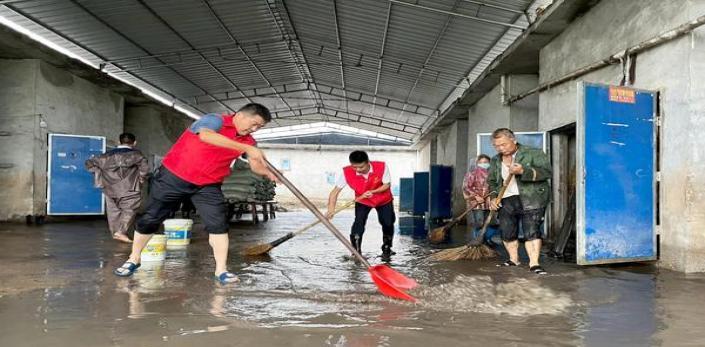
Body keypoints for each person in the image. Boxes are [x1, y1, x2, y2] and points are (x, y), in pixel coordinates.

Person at [113, 103, 277, 284]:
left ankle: (221, 270)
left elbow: (255, 164)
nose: (254, 129)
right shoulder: (215, 120)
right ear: (240, 115)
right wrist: (246, 148)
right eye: (254, 124)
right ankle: (134, 259)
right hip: (174, 177)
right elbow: (206, 136)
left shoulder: (249, 142)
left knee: (219, 223)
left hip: (207, 184)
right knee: (151, 218)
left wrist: (268, 172)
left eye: (259, 127)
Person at [488, 128, 551, 275]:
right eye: (496, 146)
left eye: (503, 144)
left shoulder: (533, 153)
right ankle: (513, 259)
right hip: (506, 199)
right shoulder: (496, 160)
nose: (500, 148)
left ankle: (534, 264)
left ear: (514, 140)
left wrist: (524, 171)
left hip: (531, 198)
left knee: (531, 231)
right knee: (507, 231)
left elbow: (547, 172)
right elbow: (492, 182)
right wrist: (493, 198)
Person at [326, 151, 396, 258]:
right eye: (354, 167)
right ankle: (356, 251)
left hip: (383, 199)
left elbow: (387, 185)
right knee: (359, 222)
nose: (358, 170)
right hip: (363, 200)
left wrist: (373, 192)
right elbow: (335, 192)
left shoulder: (381, 166)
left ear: (368, 162)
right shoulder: (347, 172)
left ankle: (387, 248)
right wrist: (331, 210)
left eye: (361, 167)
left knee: (388, 222)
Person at [85, 133, 149, 243]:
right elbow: (145, 170)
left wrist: (100, 174)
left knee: (113, 211)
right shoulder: (137, 155)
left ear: (119, 142)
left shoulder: (105, 156)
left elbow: (89, 164)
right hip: (129, 188)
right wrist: (141, 179)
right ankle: (121, 232)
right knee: (130, 209)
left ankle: (116, 233)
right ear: (134, 143)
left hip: (109, 188)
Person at [462, 154, 498, 245]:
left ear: (490, 163)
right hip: (477, 203)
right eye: (481, 162)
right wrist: (475, 196)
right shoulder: (472, 173)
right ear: (477, 163)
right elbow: (466, 187)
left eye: (485, 162)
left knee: (492, 223)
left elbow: (497, 186)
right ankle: (477, 241)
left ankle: (486, 239)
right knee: (479, 223)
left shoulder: (494, 173)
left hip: (491, 202)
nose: (483, 164)